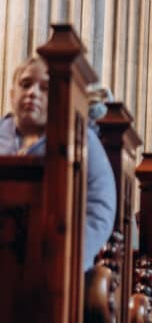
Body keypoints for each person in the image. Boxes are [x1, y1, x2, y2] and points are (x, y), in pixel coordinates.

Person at [0, 54, 116, 270]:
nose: (32, 93)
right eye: (25, 84)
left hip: (56, 264)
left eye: (44, 88)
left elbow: (101, 206)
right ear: (12, 94)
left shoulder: (81, 139)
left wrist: (69, 256)